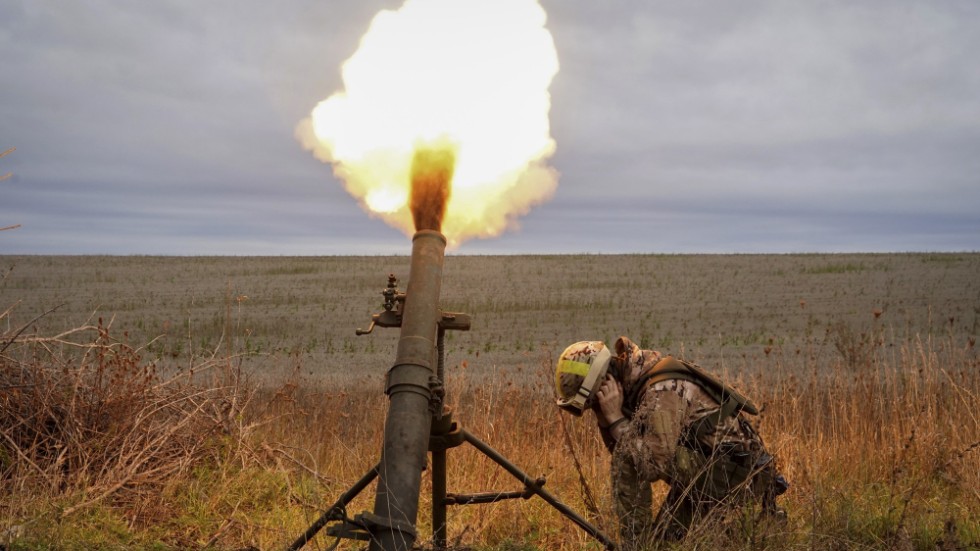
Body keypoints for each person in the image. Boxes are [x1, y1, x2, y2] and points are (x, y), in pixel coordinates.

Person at [555, 337, 787, 548]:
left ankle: (635, 547)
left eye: (592, 402)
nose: (594, 407)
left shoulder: (661, 390)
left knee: (630, 454)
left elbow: (650, 464)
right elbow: (623, 451)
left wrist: (616, 421)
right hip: (709, 475)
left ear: (605, 382)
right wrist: (606, 420)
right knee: (664, 545)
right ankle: (749, 533)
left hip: (735, 475)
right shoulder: (634, 384)